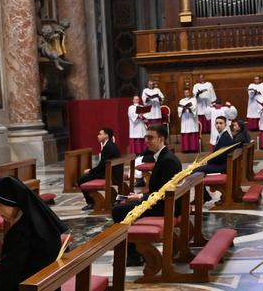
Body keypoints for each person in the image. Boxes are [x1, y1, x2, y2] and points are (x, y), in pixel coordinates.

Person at [112, 124, 182, 266]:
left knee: (118, 210)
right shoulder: (163, 156)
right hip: (165, 202)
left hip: (166, 207)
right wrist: (140, 197)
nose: (146, 140)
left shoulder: (167, 160)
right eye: (145, 137)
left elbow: (162, 194)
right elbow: (161, 190)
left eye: (150, 137)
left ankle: (133, 256)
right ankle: (135, 253)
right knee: (123, 204)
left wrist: (141, 198)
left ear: (161, 139)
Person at [76, 128, 122, 211]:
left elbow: (102, 165)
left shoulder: (108, 147)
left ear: (106, 135)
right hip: (112, 172)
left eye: (100, 134)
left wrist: (90, 171)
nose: (98, 136)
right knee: (86, 177)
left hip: (110, 175)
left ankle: (91, 203)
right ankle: (92, 202)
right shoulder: (110, 145)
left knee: (81, 180)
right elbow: (103, 164)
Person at [178, 89, 200, 153]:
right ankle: (186, 149)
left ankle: (194, 148)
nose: (186, 93)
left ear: (189, 93)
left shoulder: (193, 99)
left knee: (192, 131)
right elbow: (179, 109)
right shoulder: (181, 101)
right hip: (185, 118)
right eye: (185, 92)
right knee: (185, 132)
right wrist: (183, 109)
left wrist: (190, 108)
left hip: (191, 119)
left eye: (187, 92)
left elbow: (195, 107)